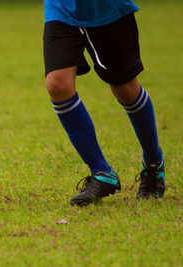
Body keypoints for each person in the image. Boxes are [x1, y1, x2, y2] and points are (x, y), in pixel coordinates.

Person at [43, 0, 165, 206]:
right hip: (61, 8)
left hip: (107, 9)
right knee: (57, 84)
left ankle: (154, 163)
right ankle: (101, 172)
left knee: (125, 89)